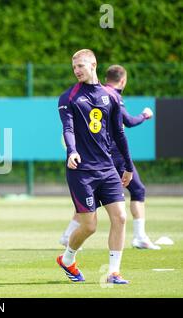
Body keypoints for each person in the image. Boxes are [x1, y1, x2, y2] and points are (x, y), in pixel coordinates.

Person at [59, 65, 159, 250]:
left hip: (101, 157)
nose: (77, 70)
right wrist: (145, 115)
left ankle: (68, 235)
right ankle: (140, 236)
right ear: (123, 80)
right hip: (110, 157)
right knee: (137, 190)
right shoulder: (111, 96)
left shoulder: (100, 93)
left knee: (92, 201)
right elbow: (126, 124)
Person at [57, 49, 134, 284]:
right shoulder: (68, 97)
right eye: (74, 68)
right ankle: (68, 259)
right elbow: (68, 129)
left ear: (93, 64)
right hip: (81, 171)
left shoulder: (109, 96)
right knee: (89, 226)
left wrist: (128, 166)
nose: (77, 70)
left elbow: (119, 134)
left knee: (120, 217)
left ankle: (113, 273)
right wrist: (72, 151)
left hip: (107, 168)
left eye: (81, 65)